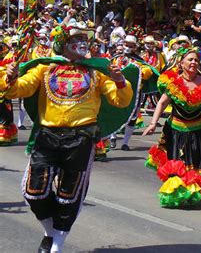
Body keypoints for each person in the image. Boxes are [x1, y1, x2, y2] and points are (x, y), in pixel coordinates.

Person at [1, 22, 134, 253]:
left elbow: (120, 100)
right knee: (33, 191)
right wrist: (10, 78)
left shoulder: (96, 71)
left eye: (84, 39)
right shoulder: (45, 69)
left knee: (68, 195)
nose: (82, 43)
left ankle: (56, 245)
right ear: (63, 45)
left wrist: (119, 80)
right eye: (76, 39)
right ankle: (49, 232)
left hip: (80, 137)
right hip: (48, 136)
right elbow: (19, 89)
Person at [142, 47, 201, 207]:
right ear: (181, 63)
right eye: (190, 59)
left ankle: (196, 190)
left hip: (200, 130)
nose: (193, 62)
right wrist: (152, 123)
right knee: (180, 162)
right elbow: (162, 103)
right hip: (177, 130)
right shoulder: (173, 82)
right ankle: (180, 193)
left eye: (196, 60)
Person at [110, 35, 159, 151]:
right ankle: (112, 137)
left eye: (130, 45)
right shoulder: (116, 58)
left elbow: (148, 72)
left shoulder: (139, 60)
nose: (127, 47)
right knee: (114, 113)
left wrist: (138, 71)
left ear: (135, 47)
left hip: (134, 92)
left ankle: (125, 143)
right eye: (126, 44)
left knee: (132, 117)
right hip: (117, 90)